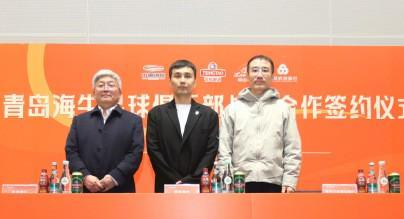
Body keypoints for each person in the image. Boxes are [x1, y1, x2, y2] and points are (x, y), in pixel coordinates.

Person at [218, 55, 302, 193]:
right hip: (239, 181)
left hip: (275, 182)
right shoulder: (233, 109)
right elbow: (224, 149)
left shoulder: (283, 109)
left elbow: (292, 148)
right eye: (255, 70)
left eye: (265, 70)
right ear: (247, 75)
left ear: (272, 75)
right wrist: (227, 179)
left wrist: (290, 181)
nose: (259, 75)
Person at [146, 60, 219, 193]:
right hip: (165, 184)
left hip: (198, 185)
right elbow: (154, 150)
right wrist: (173, 179)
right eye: (177, 76)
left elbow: (211, 151)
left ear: (195, 82)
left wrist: (191, 179)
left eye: (187, 76)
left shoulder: (209, 115)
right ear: (170, 82)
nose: (183, 80)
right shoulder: (157, 114)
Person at [65, 69, 144, 192]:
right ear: (94, 92)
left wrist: (115, 177)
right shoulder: (79, 121)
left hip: (122, 190)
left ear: (120, 92)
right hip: (86, 191)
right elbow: (71, 152)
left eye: (111, 85)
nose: (106, 89)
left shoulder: (133, 121)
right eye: (101, 85)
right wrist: (85, 176)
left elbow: (135, 154)